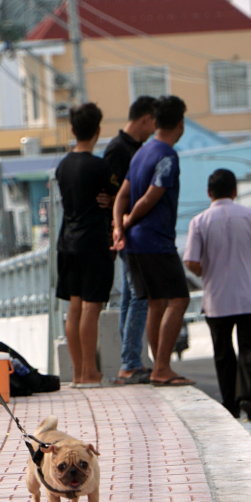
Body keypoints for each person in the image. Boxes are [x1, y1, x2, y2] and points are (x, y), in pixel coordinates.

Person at [183, 170, 251, 420]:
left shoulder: (199, 221)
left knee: (223, 352)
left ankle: (229, 402)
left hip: (217, 299)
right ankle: (248, 396)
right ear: (235, 191)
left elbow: (191, 261)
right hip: (250, 296)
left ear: (209, 193)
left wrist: (205, 268)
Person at [111, 95, 195, 387]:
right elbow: (152, 195)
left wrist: (119, 225)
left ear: (156, 121)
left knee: (155, 302)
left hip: (134, 243)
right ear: (180, 123)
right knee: (179, 299)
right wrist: (130, 220)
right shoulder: (167, 156)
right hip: (154, 240)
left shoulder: (141, 153)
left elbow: (123, 194)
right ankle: (161, 367)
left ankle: (158, 364)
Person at [54, 102, 120, 387]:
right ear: (98, 130)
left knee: (75, 307)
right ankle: (90, 371)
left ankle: (79, 373)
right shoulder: (99, 166)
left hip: (66, 242)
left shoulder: (63, 166)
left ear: (72, 129)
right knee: (92, 307)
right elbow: (115, 196)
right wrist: (113, 200)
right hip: (93, 242)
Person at [102, 96, 157, 384]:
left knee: (130, 296)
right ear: (146, 119)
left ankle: (130, 358)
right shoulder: (118, 150)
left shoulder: (138, 149)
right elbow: (111, 194)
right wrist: (118, 223)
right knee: (138, 296)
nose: (154, 130)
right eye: (153, 123)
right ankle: (131, 361)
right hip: (127, 232)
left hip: (131, 231)